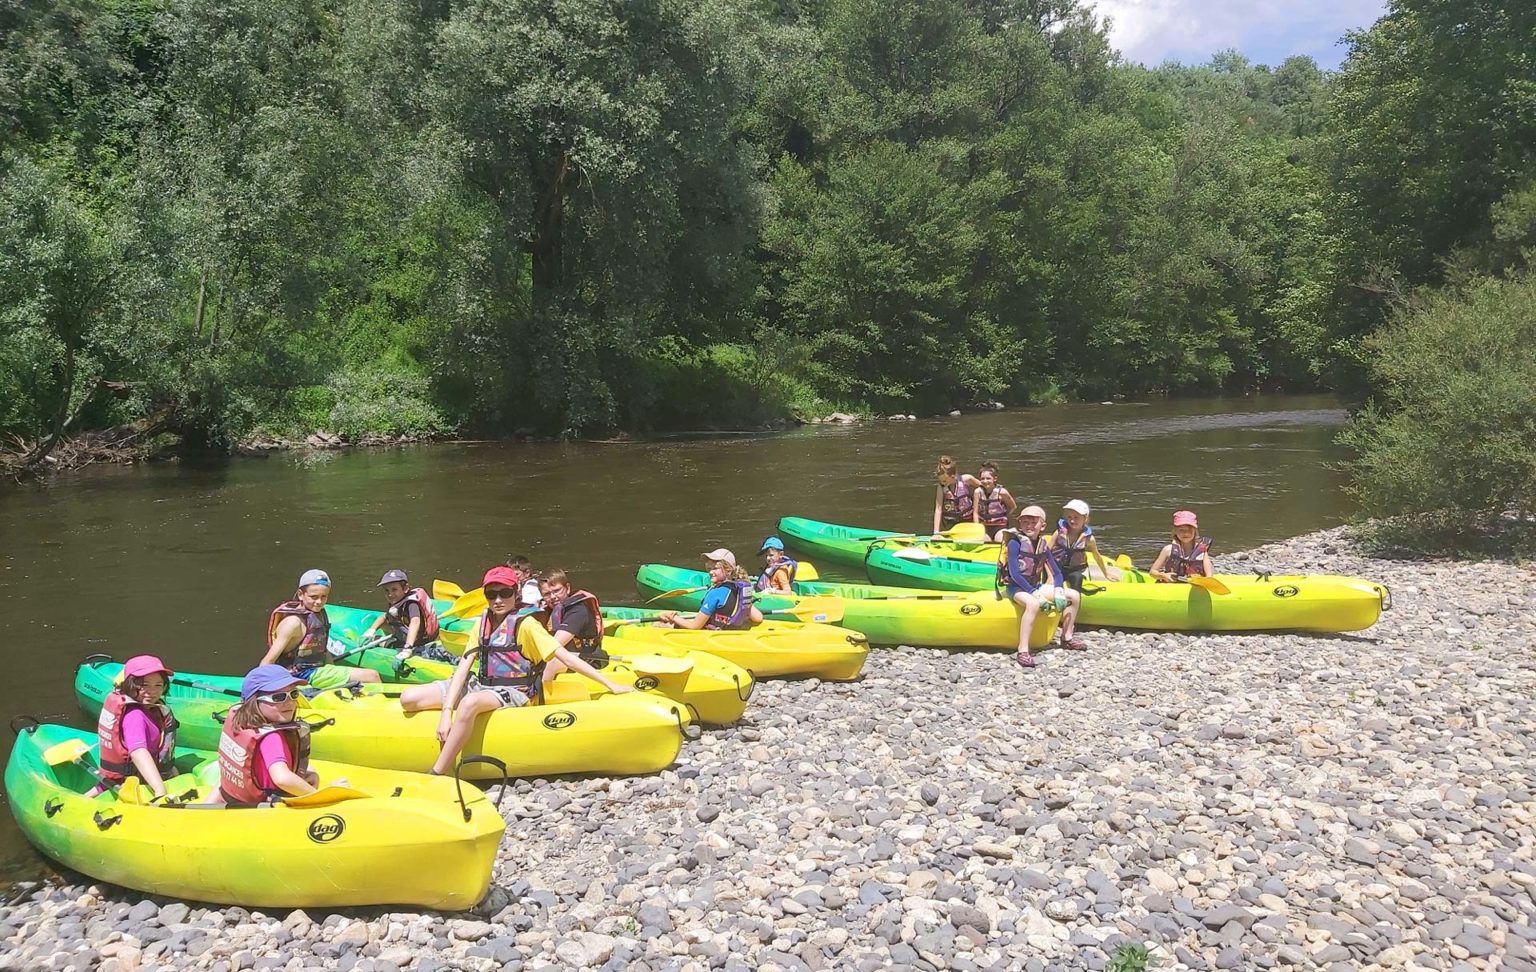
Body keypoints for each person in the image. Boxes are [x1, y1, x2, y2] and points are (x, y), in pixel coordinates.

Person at [397, 566, 632, 776]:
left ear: (515, 593)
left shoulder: (527, 625)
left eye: (505, 593)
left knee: (469, 704)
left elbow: (565, 657)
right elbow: (464, 667)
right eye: (491, 594)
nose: (498, 600)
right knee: (409, 698)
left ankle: (439, 771)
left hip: (515, 691)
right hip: (482, 684)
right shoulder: (482, 623)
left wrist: (611, 685)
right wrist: (446, 713)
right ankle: (461, 724)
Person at [217, 665, 330, 806]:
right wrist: (321, 797)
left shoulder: (241, 722)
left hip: (236, 801)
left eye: (294, 694)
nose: (289, 702)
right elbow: (282, 779)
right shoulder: (271, 737)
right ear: (254, 701)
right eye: (278, 697)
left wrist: (308, 772)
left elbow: (225, 779)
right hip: (264, 809)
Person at [260, 569, 381, 690]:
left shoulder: (319, 614)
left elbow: (321, 649)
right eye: (313, 597)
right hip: (298, 675)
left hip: (316, 671)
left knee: (361, 681)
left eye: (324, 597)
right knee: (372, 676)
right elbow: (267, 662)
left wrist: (334, 669)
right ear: (300, 594)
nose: (319, 602)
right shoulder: (293, 623)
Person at [997, 505, 1080, 668]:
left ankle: (1067, 637)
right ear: (1020, 524)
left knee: (1074, 596)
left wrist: (1058, 589)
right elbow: (1014, 573)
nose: (1029, 526)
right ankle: (1023, 651)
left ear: (1042, 525)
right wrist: (1033, 593)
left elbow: (1056, 573)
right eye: (1025, 522)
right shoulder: (1015, 542)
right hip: (1016, 588)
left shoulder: (1043, 544)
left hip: (1035, 586)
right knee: (1033, 604)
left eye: (1033, 522)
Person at [94, 654, 180, 800]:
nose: (152, 691)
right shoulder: (135, 716)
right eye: (144, 685)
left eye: (158, 685)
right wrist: (160, 790)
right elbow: (138, 752)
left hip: (140, 778)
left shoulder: (153, 708)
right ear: (130, 684)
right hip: (129, 785)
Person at [658, 549, 765, 630]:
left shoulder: (715, 593)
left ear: (728, 571)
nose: (710, 572)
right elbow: (758, 618)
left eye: (715, 568)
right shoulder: (740, 589)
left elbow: (694, 626)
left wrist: (673, 617)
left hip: (712, 634)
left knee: (660, 625)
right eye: (709, 568)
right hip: (731, 632)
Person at [537, 569, 609, 686]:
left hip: (587, 658)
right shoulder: (549, 610)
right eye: (547, 594)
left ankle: (538, 696)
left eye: (557, 591)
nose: (553, 597)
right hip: (566, 656)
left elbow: (554, 645)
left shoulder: (578, 611)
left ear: (568, 588)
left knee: (551, 662)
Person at [361, 569, 441, 657]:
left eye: (394, 589)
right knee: (382, 626)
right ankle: (393, 639)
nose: (390, 594)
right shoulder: (398, 602)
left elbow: (415, 621)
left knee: (377, 640)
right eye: (387, 591)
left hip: (417, 643)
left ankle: (394, 645)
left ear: (405, 588)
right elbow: (384, 617)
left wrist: (408, 647)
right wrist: (371, 631)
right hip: (408, 637)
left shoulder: (411, 604)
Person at [1150, 510, 1214, 581]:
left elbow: (1209, 575)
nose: (1186, 534)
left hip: (1195, 584)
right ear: (1175, 531)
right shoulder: (1167, 550)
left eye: (1189, 530)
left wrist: (1208, 581)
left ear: (1195, 531)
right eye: (1181, 530)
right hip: (1171, 586)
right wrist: (1163, 575)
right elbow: (1152, 572)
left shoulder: (1202, 550)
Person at [933, 456, 981, 534]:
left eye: (944, 481)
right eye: (940, 481)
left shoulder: (967, 479)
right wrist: (936, 532)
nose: (942, 483)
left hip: (969, 520)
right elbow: (938, 509)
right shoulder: (941, 488)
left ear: (953, 475)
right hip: (951, 523)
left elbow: (984, 488)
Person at [971, 462, 1017, 541]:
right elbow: (975, 512)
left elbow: (1013, 507)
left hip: (999, 526)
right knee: (984, 542)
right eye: (982, 479)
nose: (985, 481)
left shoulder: (1002, 492)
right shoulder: (977, 492)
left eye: (988, 478)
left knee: (999, 541)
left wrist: (1005, 516)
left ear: (994, 479)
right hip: (984, 526)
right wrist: (977, 527)